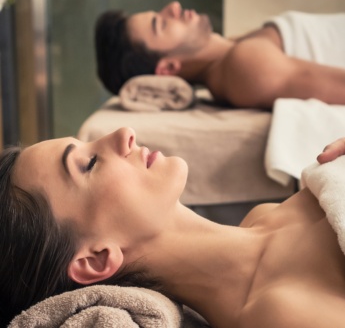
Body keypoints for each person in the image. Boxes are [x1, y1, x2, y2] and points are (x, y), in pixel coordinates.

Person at [1, 127, 345, 327]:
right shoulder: (280, 312)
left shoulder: (265, 216)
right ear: (96, 259)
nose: (123, 134)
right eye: (89, 163)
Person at [95, 1, 345, 109]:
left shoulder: (233, 50)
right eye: (161, 23)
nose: (173, 7)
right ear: (169, 67)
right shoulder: (245, 66)